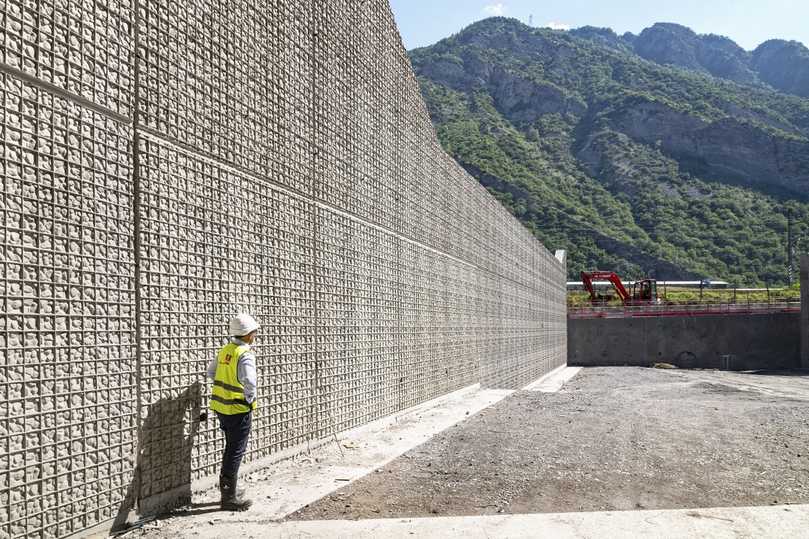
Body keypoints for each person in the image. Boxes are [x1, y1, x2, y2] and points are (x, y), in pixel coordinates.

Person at [207, 313, 259, 511]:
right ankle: (229, 498)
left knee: (230, 449)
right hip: (238, 409)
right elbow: (250, 382)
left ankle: (230, 491)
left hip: (222, 409)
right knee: (235, 451)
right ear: (247, 335)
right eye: (253, 332)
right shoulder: (244, 354)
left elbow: (211, 373)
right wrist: (249, 399)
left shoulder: (225, 351)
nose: (255, 335)